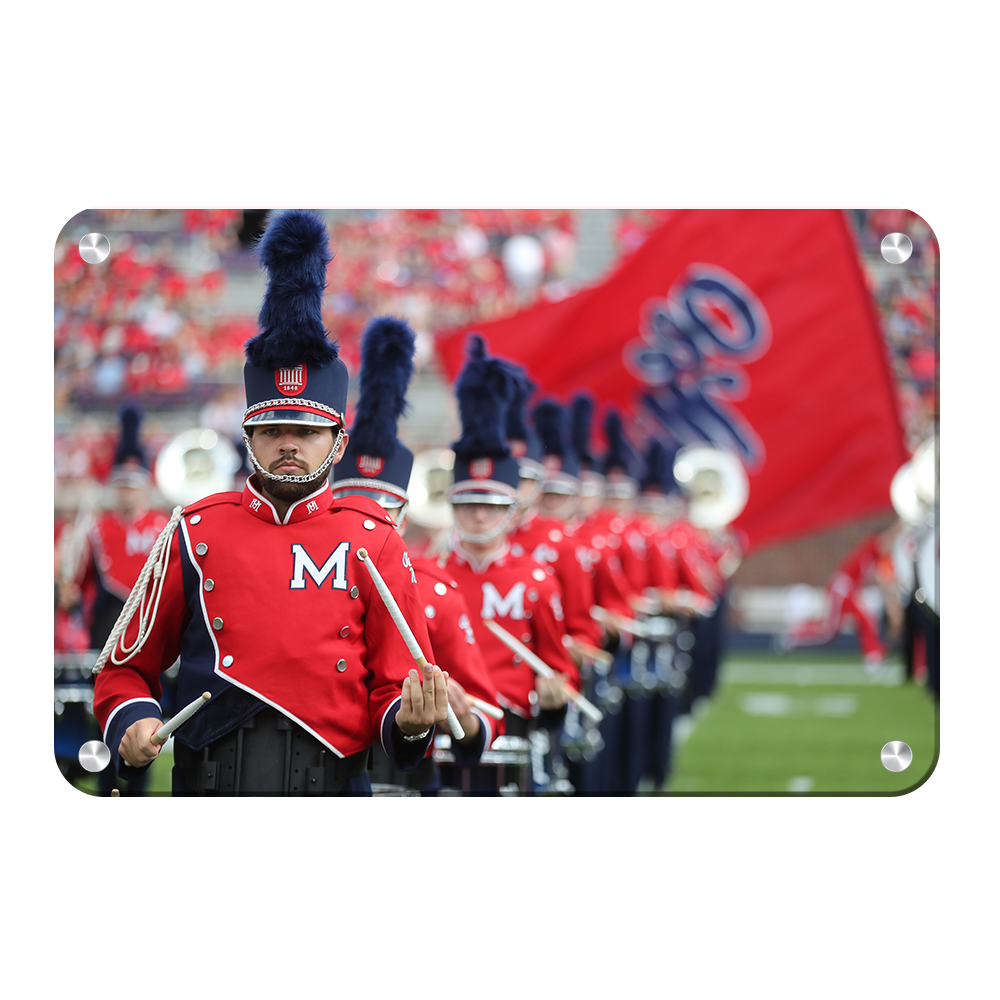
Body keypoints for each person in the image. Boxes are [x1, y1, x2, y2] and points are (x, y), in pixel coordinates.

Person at [92, 210, 449, 796]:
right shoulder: (194, 531)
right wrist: (132, 720)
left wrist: (409, 724)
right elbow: (125, 667)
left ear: (337, 442)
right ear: (249, 435)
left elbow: (396, 687)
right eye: (273, 429)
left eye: (307, 432)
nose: (289, 443)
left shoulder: (374, 538)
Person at [330, 314, 504, 793]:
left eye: (382, 509)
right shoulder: (297, 576)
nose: (368, 522)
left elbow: (485, 712)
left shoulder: (435, 590)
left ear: (403, 515)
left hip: (401, 782)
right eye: (351, 507)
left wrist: (458, 712)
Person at [440, 335, 580, 793]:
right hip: (436, 740)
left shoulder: (536, 580)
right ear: (453, 506)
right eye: (469, 503)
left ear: (510, 509)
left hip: (512, 733)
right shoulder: (425, 573)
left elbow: (559, 668)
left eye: (491, 504)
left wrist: (556, 695)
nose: (479, 514)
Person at [776, 525, 903, 672]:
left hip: (848, 590)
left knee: (859, 622)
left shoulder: (876, 557)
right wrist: (902, 525)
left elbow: (881, 577)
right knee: (829, 631)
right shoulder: (872, 545)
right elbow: (886, 540)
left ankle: (874, 655)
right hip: (842, 588)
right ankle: (793, 634)